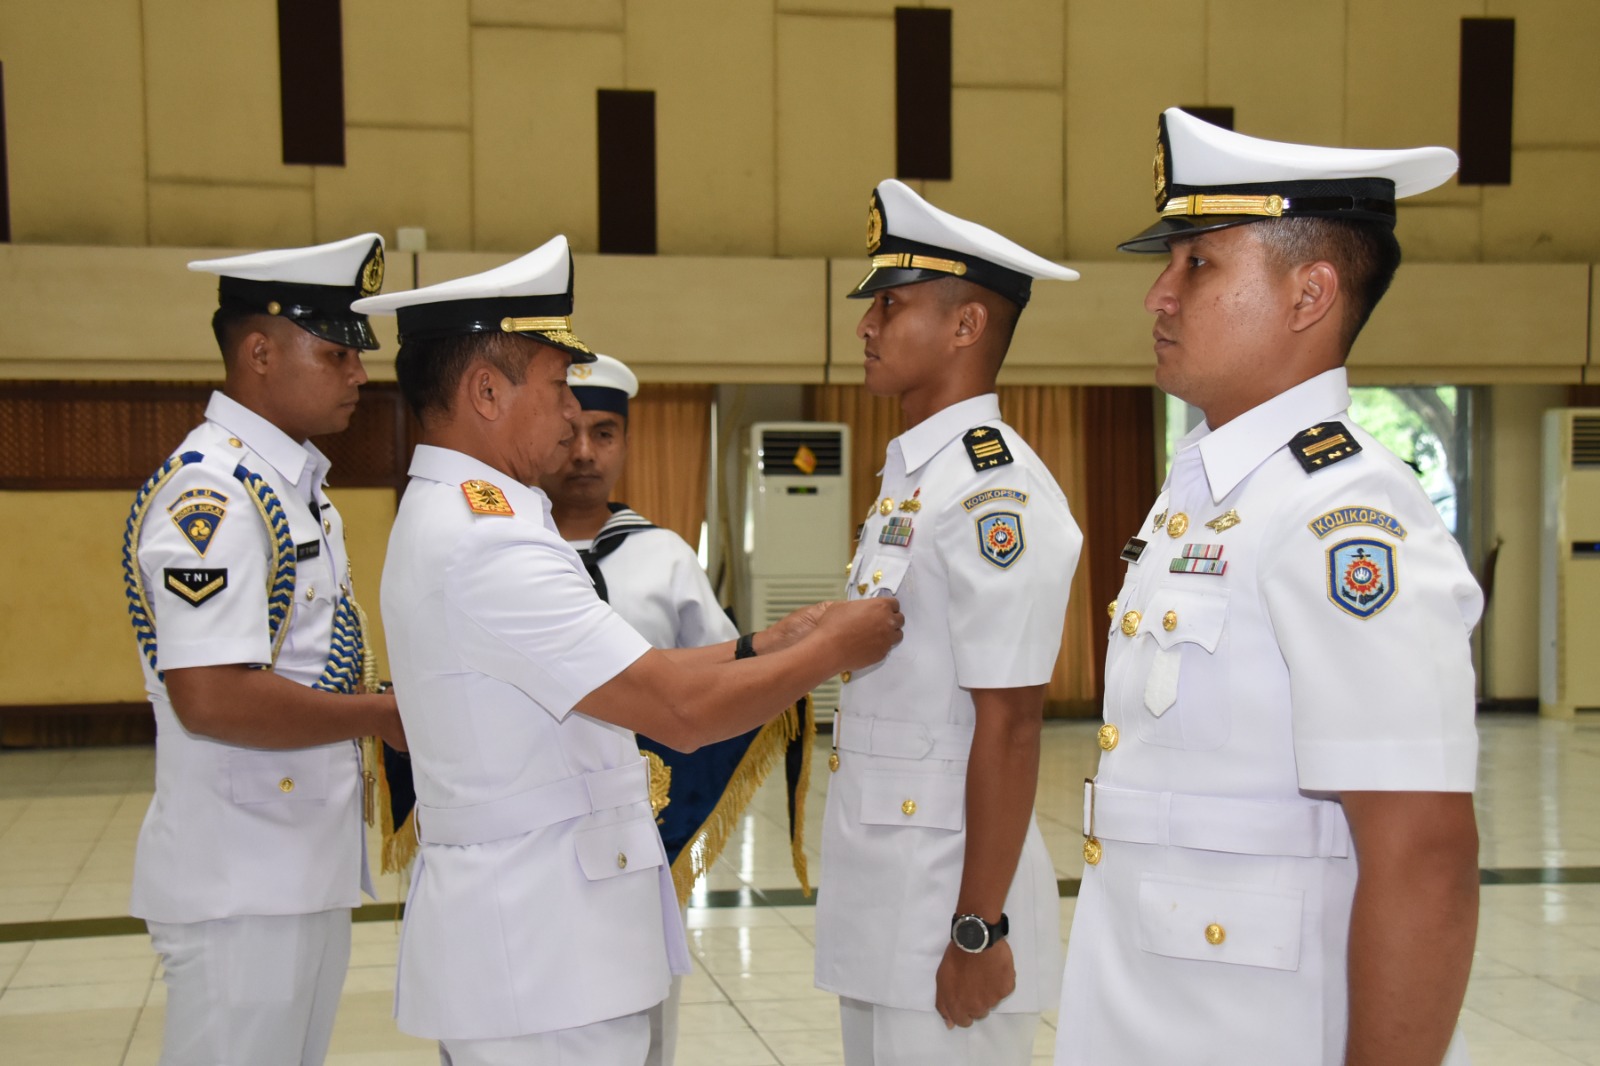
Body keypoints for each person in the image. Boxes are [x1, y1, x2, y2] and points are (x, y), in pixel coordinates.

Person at [352, 235, 903, 1066]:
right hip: (540, 958)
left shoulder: (465, 518)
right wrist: (832, 650)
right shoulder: (490, 541)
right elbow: (674, 713)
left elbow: (626, 674)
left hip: (537, 944)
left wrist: (766, 643)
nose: (574, 414)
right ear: (486, 390)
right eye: (557, 384)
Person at [1056, 108, 1481, 1066]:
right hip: (1156, 1021)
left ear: (1309, 293)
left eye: (1196, 265)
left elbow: (1423, 853)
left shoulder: (1345, 513)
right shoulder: (1207, 494)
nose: (1158, 298)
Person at [813, 179, 1084, 1066]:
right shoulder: (916, 477)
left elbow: (1008, 723)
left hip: (950, 912)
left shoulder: (992, 492)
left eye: (888, 306)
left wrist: (978, 930)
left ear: (966, 327)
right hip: (890, 899)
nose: (865, 327)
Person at [122, 233, 406, 1066]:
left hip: (294, 865)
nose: (359, 373)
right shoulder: (211, 493)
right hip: (237, 880)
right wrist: (384, 716)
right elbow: (210, 695)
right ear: (258, 352)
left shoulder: (290, 488)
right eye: (336, 352)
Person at [538, 352, 809, 1066]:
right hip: (527, 831)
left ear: (627, 442)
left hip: (639, 836)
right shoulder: (505, 552)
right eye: (569, 433)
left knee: (639, 1009)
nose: (585, 454)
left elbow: (728, 687)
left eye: (605, 433)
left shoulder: (663, 558)